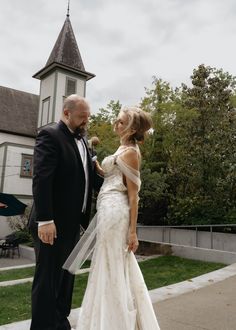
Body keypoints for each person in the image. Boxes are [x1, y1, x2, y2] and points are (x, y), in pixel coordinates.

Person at [63, 106, 160, 329]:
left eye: (121, 122)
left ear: (132, 127)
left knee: (112, 261)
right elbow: (112, 176)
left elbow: (134, 196)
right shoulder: (122, 148)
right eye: (116, 120)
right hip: (107, 209)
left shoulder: (131, 153)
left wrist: (133, 232)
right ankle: (102, 317)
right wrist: (96, 166)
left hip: (116, 213)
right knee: (105, 261)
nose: (116, 124)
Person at [28, 95, 103, 330]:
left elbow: (88, 180)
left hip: (73, 225)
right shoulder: (49, 136)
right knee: (48, 280)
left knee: (66, 279)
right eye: (82, 117)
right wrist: (45, 220)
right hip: (52, 224)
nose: (86, 121)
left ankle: (60, 323)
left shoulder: (84, 142)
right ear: (66, 113)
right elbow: (42, 179)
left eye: (88, 116)